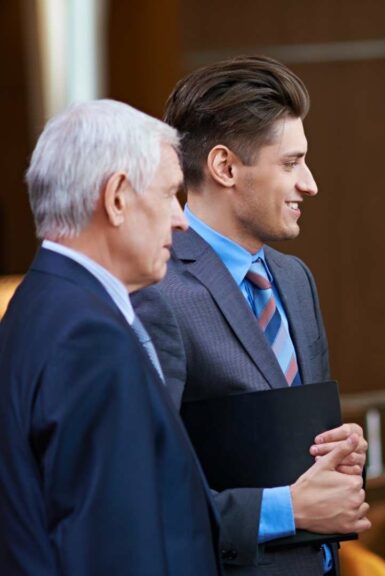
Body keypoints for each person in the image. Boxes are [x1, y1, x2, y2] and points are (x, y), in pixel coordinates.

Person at [131, 56, 369, 575]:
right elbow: (147, 485)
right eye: (291, 163)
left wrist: (340, 450)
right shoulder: (155, 290)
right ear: (225, 167)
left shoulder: (295, 279)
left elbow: (291, 439)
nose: (310, 184)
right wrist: (288, 509)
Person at [0, 100, 221, 574]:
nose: (181, 220)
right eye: (169, 194)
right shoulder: (88, 336)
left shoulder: (40, 304)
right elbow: (113, 548)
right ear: (117, 197)